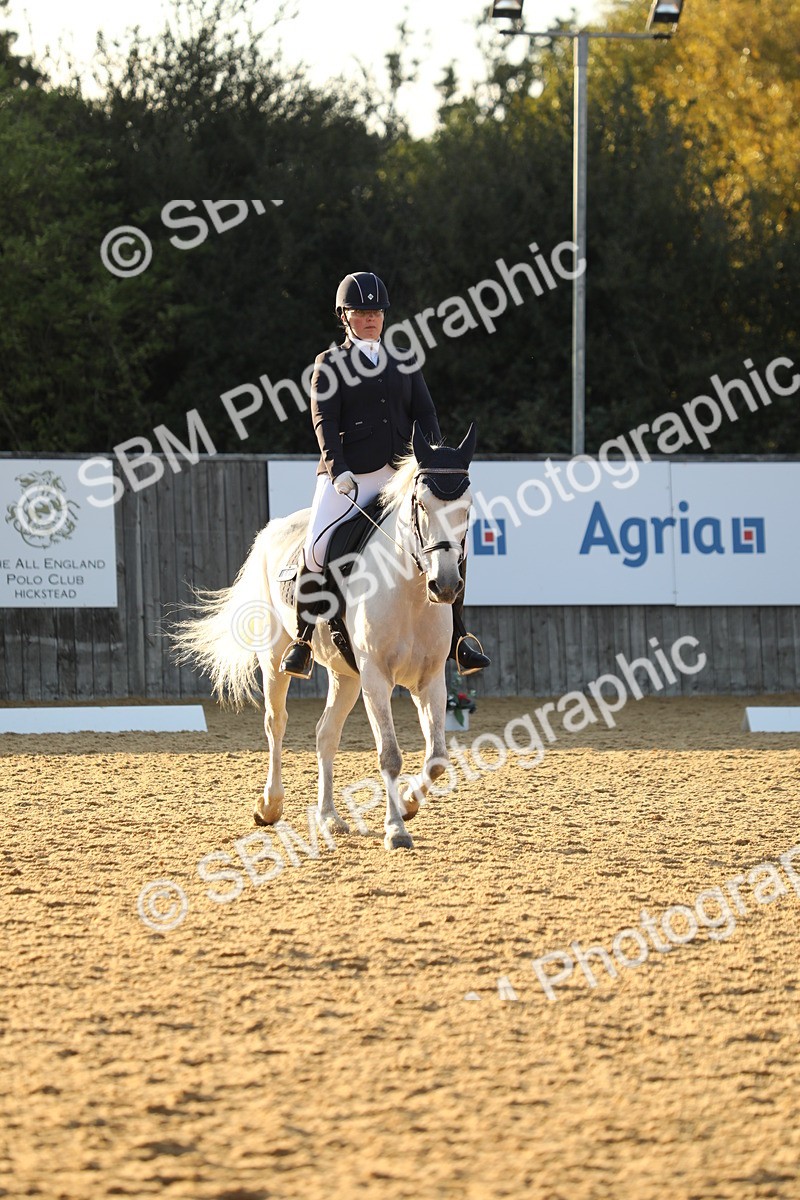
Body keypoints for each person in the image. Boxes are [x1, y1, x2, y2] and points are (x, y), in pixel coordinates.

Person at [279, 270, 491, 681]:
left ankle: (460, 639)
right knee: (317, 548)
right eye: (361, 311)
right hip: (348, 476)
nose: (370, 318)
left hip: (398, 475)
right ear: (345, 316)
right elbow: (323, 418)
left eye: (375, 310)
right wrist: (338, 469)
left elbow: (425, 411)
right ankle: (303, 640)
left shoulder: (403, 360)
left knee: (449, 545)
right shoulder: (330, 363)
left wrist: (428, 460)